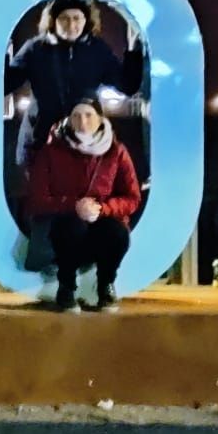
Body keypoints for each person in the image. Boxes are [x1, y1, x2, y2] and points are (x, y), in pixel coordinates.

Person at [27, 98, 142, 312]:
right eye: (76, 116)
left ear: (100, 118)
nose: (82, 122)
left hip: (100, 223)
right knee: (71, 226)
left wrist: (102, 209)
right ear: (69, 120)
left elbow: (132, 197)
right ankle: (66, 286)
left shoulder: (116, 152)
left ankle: (106, 285)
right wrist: (74, 205)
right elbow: (37, 199)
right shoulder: (51, 152)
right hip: (64, 228)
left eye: (89, 115)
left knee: (117, 233)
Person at [5, 0, 145, 168]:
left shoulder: (97, 50)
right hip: (40, 143)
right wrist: (2, 54)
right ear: (53, 21)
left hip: (84, 141)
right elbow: (7, 84)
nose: (71, 25)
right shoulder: (35, 49)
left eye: (77, 18)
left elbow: (127, 85)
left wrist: (133, 51)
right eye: (64, 18)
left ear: (86, 20)